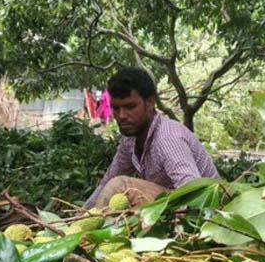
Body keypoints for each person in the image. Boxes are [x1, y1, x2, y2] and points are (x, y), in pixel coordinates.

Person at [84, 67, 220, 208]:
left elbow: (195, 192)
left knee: (121, 187)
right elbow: (108, 181)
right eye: (116, 108)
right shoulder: (131, 141)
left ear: (150, 103)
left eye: (130, 107)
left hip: (206, 208)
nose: (122, 116)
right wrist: (83, 213)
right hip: (170, 207)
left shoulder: (168, 138)